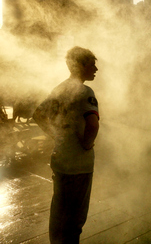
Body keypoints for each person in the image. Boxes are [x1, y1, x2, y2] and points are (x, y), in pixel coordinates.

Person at [33, 46, 99, 243]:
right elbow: (93, 126)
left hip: (60, 159)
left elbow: (38, 115)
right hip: (79, 166)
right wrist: (86, 146)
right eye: (92, 64)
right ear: (79, 65)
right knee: (74, 220)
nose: (96, 69)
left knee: (59, 213)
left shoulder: (59, 89)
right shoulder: (84, 91)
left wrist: (57, 137)